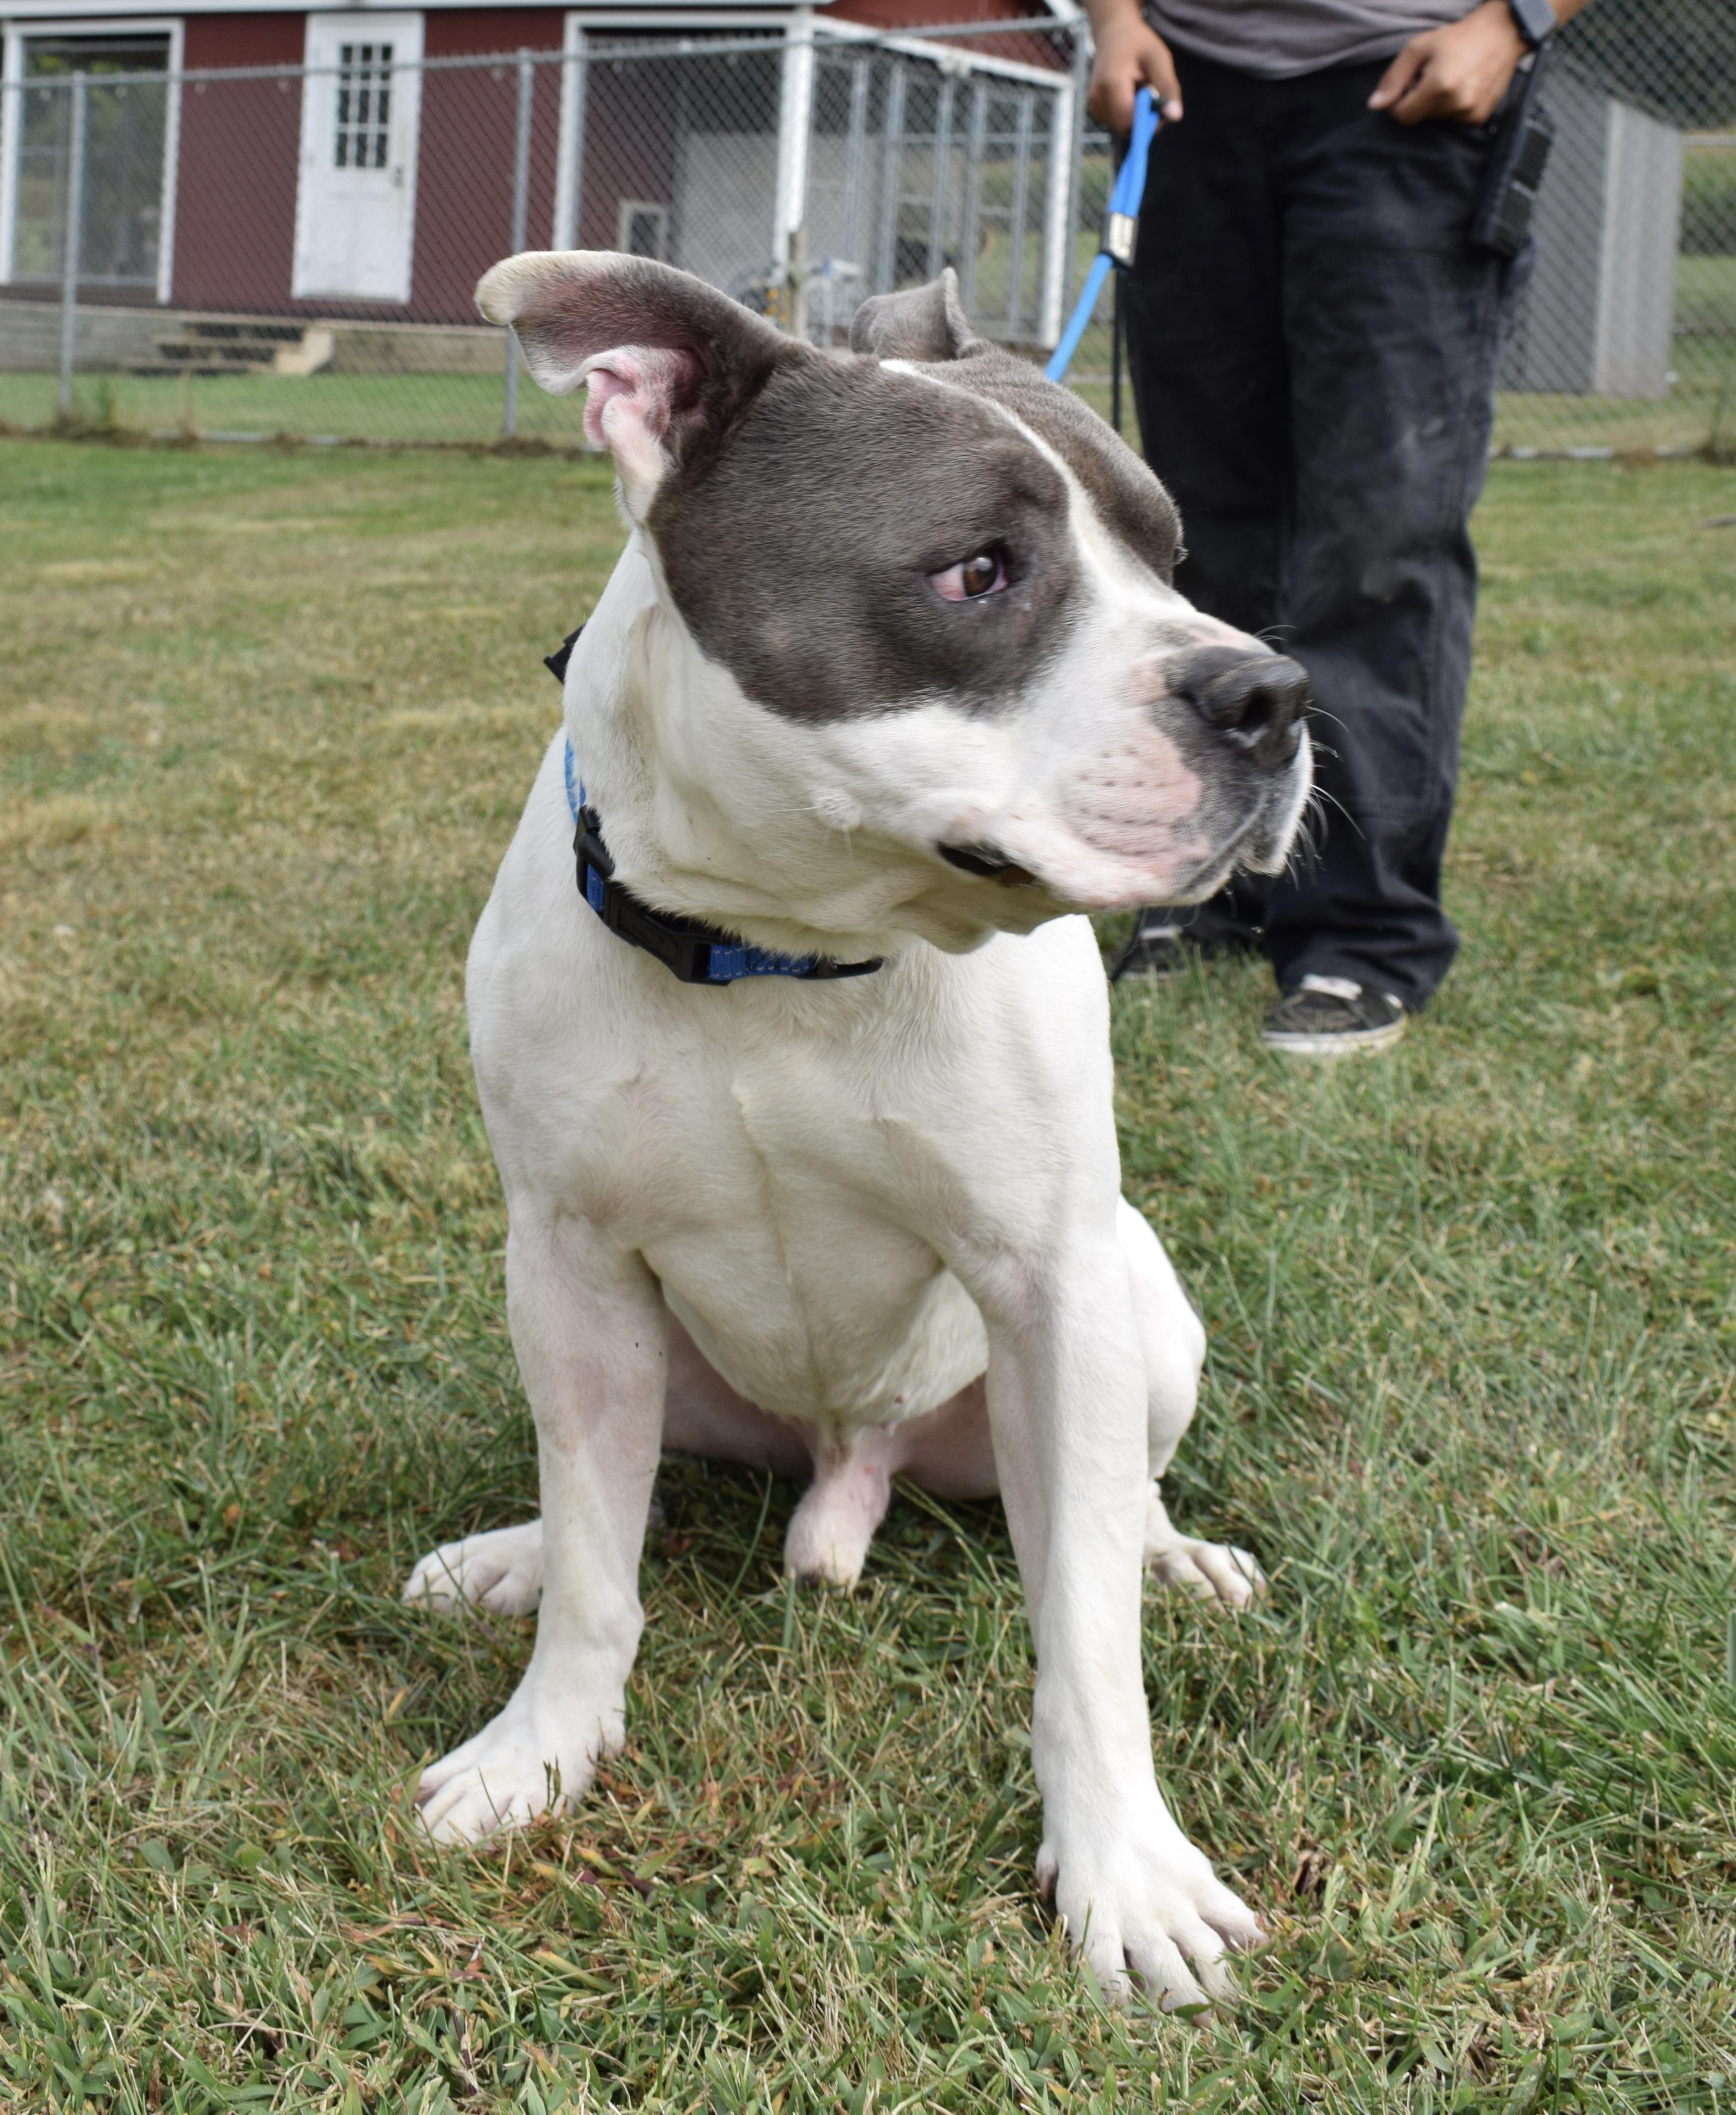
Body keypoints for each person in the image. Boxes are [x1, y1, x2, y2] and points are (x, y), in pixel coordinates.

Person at [1084, 0, 1588, 1055]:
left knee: (1376, 536)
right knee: (1191, 530)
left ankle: (1361, 932)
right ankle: (1203, 886)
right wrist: (1113, 18)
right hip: (1184, 92)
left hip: (1403, 87)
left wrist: (1512, 23)